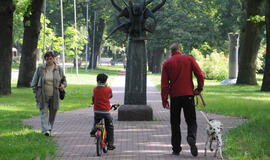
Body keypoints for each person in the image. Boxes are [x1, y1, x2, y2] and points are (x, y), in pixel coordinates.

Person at [161, 43, 204, 156]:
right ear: (180, 49)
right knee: (191, 120)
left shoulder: (167, 63)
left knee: (175, 123)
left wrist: (164, 100)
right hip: (188, 95)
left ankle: (176, 149)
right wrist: (199, 89)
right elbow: (200, 74)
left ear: (171, 52)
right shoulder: (189, 59)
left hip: (175, 97)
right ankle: (191, 136)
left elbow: (164, 84)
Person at [31, 51, 67, 136]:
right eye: (47, 59)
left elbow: (64, 81)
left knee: (53, 112)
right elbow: (34, 83)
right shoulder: (40, 69)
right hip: (42, 95)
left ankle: (49, 128)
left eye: (50, 58)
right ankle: (46, 130)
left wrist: (63, 85)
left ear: (53, 59)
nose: (49, 61)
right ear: (45, 60)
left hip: (55, 95)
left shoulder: (59, 69)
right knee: (44, 112)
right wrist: (36, 93)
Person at [90, 73, 115, 150]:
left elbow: (93, 98)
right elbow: (110, 96)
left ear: (97, 81)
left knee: (96, 121)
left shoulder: (95, 89)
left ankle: (93, 130)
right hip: (106, 111)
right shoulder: (108, 89)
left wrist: (94, 102)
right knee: (110, 126)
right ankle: (110, 144)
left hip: (97, 111)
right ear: (105, 81)